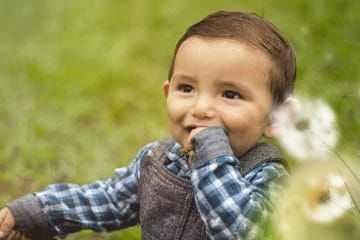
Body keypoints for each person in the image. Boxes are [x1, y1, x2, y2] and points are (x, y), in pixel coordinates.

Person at [0, 10, 296, 240]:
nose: (201, 108)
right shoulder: (158, 161)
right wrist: (35, 212)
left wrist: (212, 157)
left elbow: (241, 231)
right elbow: (107, 201)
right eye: (187, 89)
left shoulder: (269, 178)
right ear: (168, 94)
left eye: (230, 94)